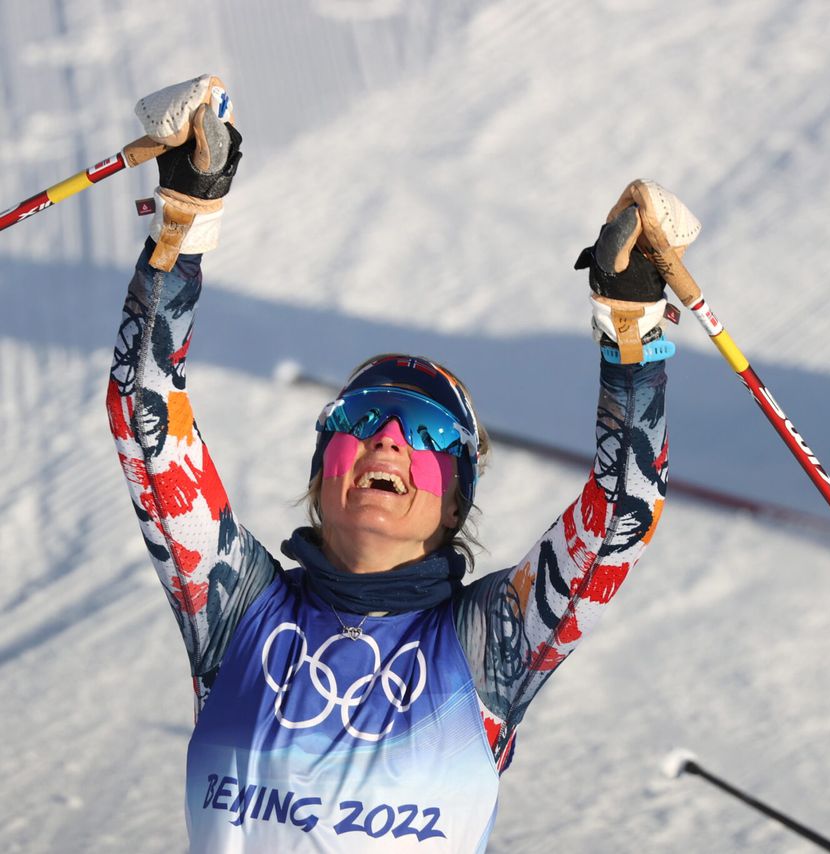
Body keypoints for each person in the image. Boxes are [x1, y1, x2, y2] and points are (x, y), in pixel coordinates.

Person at [106, 75, 694, 852]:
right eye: (359, 420)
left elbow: (621, 512)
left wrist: (632, 324)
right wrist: (186, 216)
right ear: (322, 475)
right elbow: (143, 411)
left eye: (424, 430)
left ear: (456, 504)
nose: (388, 439)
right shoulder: (235, 612)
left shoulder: (484, 644)